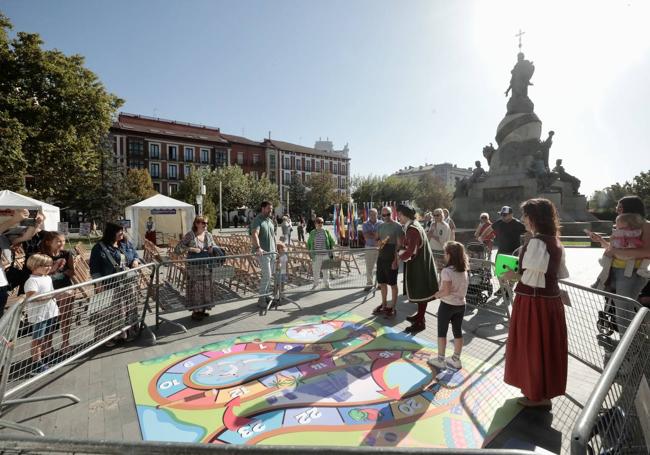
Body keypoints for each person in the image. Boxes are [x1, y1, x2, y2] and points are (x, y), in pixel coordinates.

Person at [503, 198, 569, 409]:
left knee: (532, 346)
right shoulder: (554, 240)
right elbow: (557, 273)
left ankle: (536, 395)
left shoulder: (537, 242)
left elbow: (529, 277)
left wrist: (510, 274)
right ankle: (541, 391)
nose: (523, 219)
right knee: (545, 347)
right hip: (549, 302)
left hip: (534, 303)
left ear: (533, 218)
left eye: (525, 215)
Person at [589, 195, 649, 332]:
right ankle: (634, 345)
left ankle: (630, 348)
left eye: (620, 206)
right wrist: (601, 241)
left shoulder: (645, 225)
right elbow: (613, 249)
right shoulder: (624, 224)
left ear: (630, 207)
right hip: (614, 270)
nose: (617, 209)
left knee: (623, 313)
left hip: (630, 272)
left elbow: (647, 251)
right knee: (622, 311)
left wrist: (618, 251)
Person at [89, 222, 141, 345]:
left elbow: (135, 254)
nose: (122, 233)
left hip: (128, 283)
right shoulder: (99, 248)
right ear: (111, 232)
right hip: (110, 284)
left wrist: (135, 260)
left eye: (122, 230)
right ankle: (110, 337)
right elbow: (94, 268)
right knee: (112, 312)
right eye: (119, 231)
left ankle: (128, 332)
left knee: (129, 307)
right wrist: (99, 284)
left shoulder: (125, 243)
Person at [396, 204, 438, 333]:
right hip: (421, 263)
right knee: (421, 292)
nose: (398, 217)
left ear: (404, 215)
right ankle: (420, 316)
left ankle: (420, 322)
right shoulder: (414, 225)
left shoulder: (412, 229)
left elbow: (411, 252)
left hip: (419, 265)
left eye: (399, 215)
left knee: (420, 292)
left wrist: (398, 258)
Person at [427, 241, 468, 369]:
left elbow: (446, 290)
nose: (444, 255)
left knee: (442, 332)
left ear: (449, 255)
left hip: (447, 305)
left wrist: (436, 295)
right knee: (457, 331)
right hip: (461, 305)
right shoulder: (464, 270)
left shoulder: (447, 271)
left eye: (445, 253)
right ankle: (456, 358)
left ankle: (440, 359)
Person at [175, 216, 218, 320]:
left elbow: (214, 246)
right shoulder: (190, 235)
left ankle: (202, 310)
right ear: (196, 224)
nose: (206, 225)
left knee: (206, 288)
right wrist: (191, 249)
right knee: (196, 289)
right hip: (194, 267)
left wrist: (213, 249)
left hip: (206, 266)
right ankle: (195, 311)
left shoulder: (208, 235)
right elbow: (177, 249)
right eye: (203, 223)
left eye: (207, 223)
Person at [39, 231, 75, 353]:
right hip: (47, 291)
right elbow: (37, 274)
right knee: (49, 318)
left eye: (63, 241)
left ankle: (65, 343)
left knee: (65, 317)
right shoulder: (42, 256)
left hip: (64, 288)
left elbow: (71, 271)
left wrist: (63, 272)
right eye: (58, 241)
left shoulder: (67, 254)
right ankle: (47, 345)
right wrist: (53, 269)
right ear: (49, 242)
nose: (62, 244)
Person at [24, 254, 60, 375]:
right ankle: (36, 363)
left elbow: (51, 291)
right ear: (35, 266)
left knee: (47, 336)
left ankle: (45, 357)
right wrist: (51, 295)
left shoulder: (47, 278)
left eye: (50, 265)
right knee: (37, 339)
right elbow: (32, 297)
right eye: (45, 265)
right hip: (39, 315)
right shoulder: (32, 281)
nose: (49, 268)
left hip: (49, 312)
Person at [372, 206, 404, 318]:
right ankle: (384, 304)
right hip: (381, 258)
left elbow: (400, 245)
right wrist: (380, 242)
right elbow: (376, 239)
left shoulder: (397, 226)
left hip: (392, 258)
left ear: (392, 214)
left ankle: (393, 307)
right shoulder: (380, 226)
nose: (385, 217)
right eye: (383, 215)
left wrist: (396, 260)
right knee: (382, 283)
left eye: (388, 214)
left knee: (393, 284)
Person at [250, 201, 277, 308]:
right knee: (267, 275)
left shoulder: (270, 221)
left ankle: (266, 296)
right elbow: (254, 234)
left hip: (272, 253)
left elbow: (273, 236)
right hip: (263, 253)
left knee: (269, 276)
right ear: (263, 208)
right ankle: (261, 299)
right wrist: (258, 248)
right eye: (268, 208)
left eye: (271, 208)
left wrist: (276, 251)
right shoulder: (257, 220)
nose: (271, 210)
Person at [307, 217, 335, 289]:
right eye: (318, 222)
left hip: (325, 254)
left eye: (322, 222)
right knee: (316, 270)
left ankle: (327, 284)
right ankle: (315, 284)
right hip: (316, 255)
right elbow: (309, 243)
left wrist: (333, 247)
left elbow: (331, 241)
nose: (320, 224)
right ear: (315, 223)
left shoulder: (326, 231)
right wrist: (310, 253)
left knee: (326, 270)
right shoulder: (312, 232)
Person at [361, 208, 382, 291]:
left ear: (377, 214)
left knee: (380, 267)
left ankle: (380, 284)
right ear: (369, 215)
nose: (373, 216)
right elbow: (366, 236)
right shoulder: (365, 224)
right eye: (371, 214)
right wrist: (377, 234)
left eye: (375, 214)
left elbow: (382, 235)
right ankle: (369, 284)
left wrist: (372, 234)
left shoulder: (381, 223)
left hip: (379, 248)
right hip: (369, 247)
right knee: (369, 267)